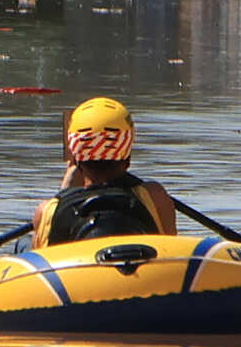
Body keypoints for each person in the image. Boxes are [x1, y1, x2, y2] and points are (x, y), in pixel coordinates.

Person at [34, 97, 180, 248]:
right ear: (127, 155)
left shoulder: (48, 211)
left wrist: (66, 190)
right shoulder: (154, 197)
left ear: (77, 156)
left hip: (75, 268)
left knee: (23, 245)